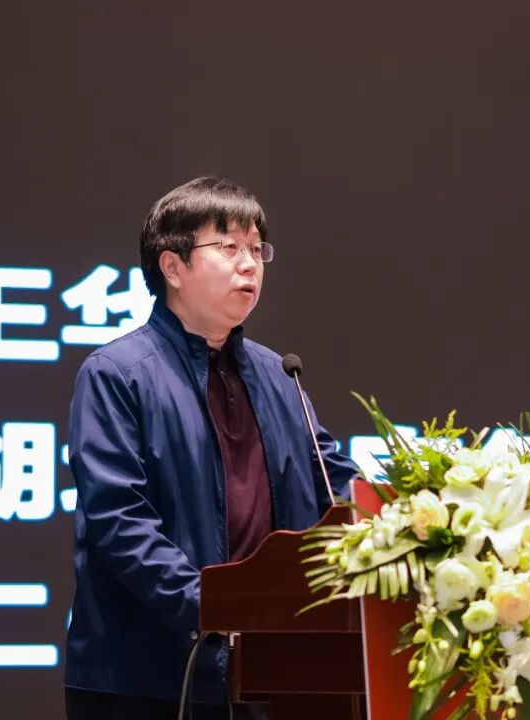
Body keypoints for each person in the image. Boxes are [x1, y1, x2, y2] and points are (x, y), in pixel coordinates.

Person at [63, 177, 360, 720]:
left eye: (257, 249)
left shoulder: (279, 376)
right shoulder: (117, 374)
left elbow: (336, 486)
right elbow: (118, 522)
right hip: (146, 678)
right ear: (172, 267)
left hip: (269, 673)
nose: (250, 264)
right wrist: (216, 606)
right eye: (229, 247)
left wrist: (417, 524)